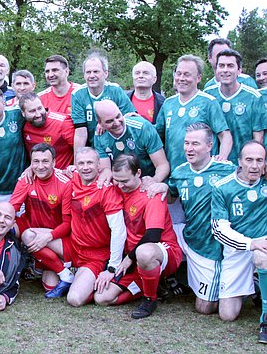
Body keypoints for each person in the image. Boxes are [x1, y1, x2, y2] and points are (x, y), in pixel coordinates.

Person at [159, 123, 235, 314]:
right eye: (186, 143)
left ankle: (238, 286)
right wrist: (159, 187)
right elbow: (171, 197)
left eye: (195, 143)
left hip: (212, 245)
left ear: (210, 146)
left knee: (204, 308)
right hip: (189, 236)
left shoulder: (227, 170)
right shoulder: (179, 172)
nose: (189, 148)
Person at [94, 154, 182, 319]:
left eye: (125, 181)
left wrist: (128, 258)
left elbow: (153, 235)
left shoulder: (151, 194)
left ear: (138, 173)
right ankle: (151, 285)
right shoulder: (115, 189)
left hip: (161, 251)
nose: (120, 185)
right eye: (116, 180)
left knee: (144, 253)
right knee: (102, 298)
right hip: (133, 258)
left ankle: (150, 298)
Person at [211, 141, 267, 342]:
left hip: (263, 246)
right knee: (227, 314)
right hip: (238, 248)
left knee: (262, 257)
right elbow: (219, 229)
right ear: (239, 161)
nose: (254, 165)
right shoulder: (223, 187)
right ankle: (257, 283)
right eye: (249, 160)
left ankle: (265, 320)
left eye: (259, 160)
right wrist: (249, 244)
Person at [9, 144, 74, 298]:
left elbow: (67, 224)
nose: (40, 166)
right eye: (35, 161)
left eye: (45, 161)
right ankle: (63, 272)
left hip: (59, 237)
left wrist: (48, 237)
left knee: (28, 236)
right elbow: (12, 208)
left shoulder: (65, 183)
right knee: (49, 286)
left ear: (54, 162)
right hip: (37, 234)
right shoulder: (27, 179)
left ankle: (58, 267)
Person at [65, 148, 126, 307]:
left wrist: (112, 267)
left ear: (99, 165)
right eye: (81, 163)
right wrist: (30, 168)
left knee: (74, 299)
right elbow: (45, 168)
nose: (85, 167)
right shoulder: (72, 178)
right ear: (75, 165)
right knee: (31, 236)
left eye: (90, 163)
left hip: (95, 256)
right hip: (73, 247)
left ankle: (88, 280)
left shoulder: (107, 189)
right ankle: (65, 273)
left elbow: (119, 231)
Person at [156, 55, 232, 171]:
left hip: (202, 173)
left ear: (198, 78)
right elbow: (157, 133)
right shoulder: (168, 103)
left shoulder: (208, 102)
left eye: (187, 74)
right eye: (179, 73)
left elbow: (225, 135)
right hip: (174, 173)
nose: (181, 78)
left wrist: (222, 159)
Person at [204, 49, 266, 163]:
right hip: (215, 164)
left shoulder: (254, 97)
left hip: (243, 165)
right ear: (216, 69)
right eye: (221, 66)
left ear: (239, 70)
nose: (225, 70)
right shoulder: (208, 95)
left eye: (230, 66)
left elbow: (258, 137)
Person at [94, 99, 169, 184]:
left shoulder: (142, 128)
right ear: (100, 123)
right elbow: (106, 169)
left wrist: (154, 180)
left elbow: (163, 165)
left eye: (118, 116)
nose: (117, 123)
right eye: (110, 121)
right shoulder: (100, 135)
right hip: (120, 184)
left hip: (147, 181)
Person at [71, 53, 135, 149]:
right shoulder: (77, 95)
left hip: (116, 144)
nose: (92, 76)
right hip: (91, 147)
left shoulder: (115, 90)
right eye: (88, 72)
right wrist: (77, 160)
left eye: (96, 71)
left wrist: (107, 123)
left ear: (105, 73)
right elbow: (80, 133)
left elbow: (131, 118)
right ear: (84, 75)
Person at [20, 92, 74, 170]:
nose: (38, 114)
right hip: (39, 175)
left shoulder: (62, 123)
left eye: (40, 108)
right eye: (32, 111)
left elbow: (81, 151)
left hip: (64, 175)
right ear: (23, 113)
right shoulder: (24, 127)